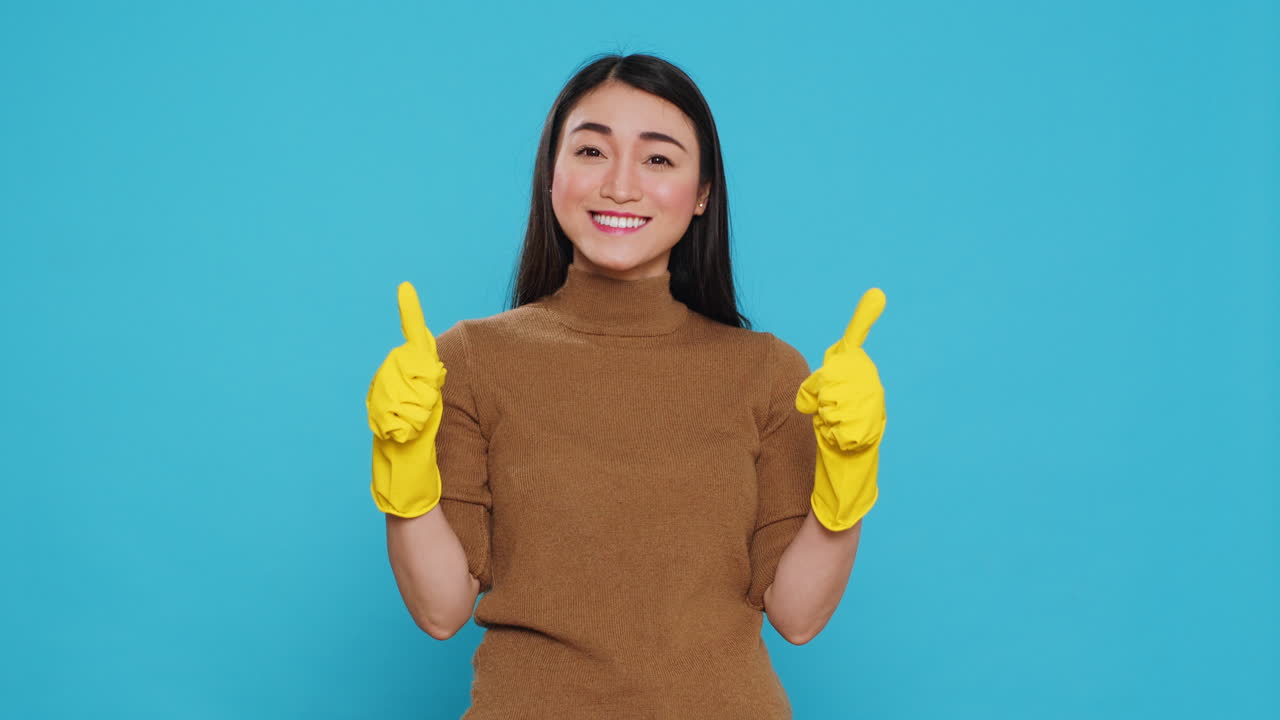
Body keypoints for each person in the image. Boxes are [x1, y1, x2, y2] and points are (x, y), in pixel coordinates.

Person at [366, 52, 888, 719]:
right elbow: (440, 611)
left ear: (702, 193)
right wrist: (402, 462)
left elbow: (798, 617)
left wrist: (848, 474)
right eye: (590, 150)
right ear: (551, 175)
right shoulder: (468, 358)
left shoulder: (770, 372)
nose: (619, 186)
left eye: (659, 160)